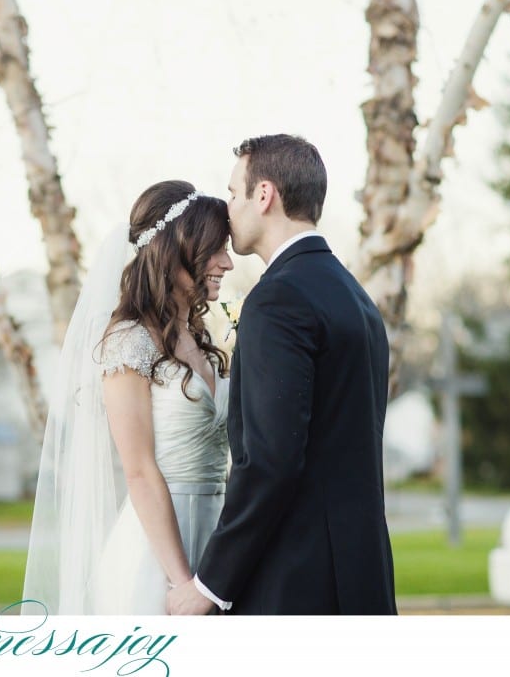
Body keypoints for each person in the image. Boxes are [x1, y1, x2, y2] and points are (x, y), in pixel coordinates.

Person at [167, 134, 397, 615]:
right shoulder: (355, 298)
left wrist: (210, 584)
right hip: (362, 570)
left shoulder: (279, 299)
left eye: (234, 193)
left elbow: (271, 460)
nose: (228, 209)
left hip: (298, 580)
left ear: (264, 195)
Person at [21, 180, 234, 615]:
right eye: (215, 248)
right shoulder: (127, 342)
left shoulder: (200, 337)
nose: (227, 262)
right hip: (156, 559)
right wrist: (181, 582)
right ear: (176, 248)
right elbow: (138, 470)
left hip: (218, 545)